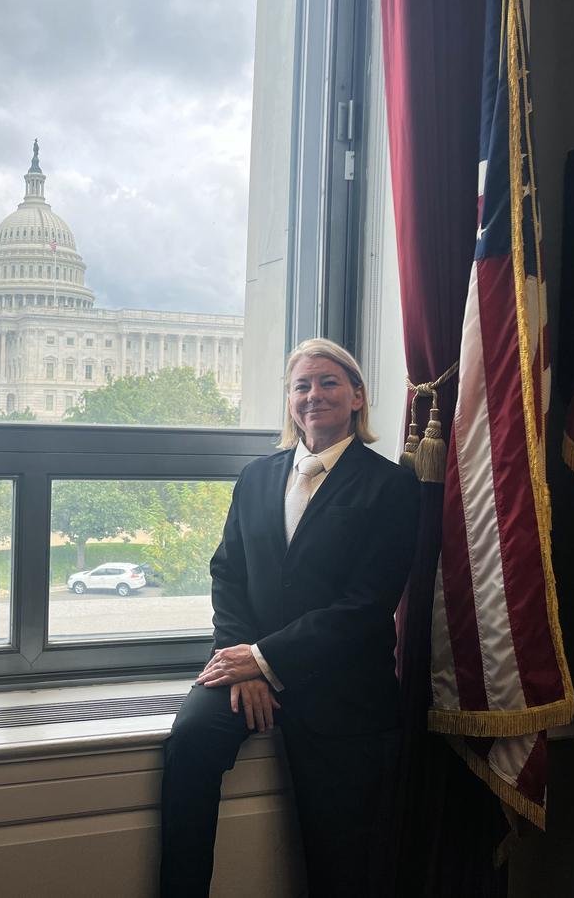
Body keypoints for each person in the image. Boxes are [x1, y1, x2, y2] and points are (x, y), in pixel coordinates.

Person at [159, 338, 420, 897]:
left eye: (328, 382)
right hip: (245, 663)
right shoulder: (257, 476)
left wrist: (264, 659)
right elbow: (227, 573)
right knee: (189, 744)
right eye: (302, 385)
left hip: (342, 684)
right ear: (290, 400)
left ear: (357, 396)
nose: (313, 395)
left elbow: (366, 604)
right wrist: (242, 657)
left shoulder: (392, 485)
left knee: (342, 859)